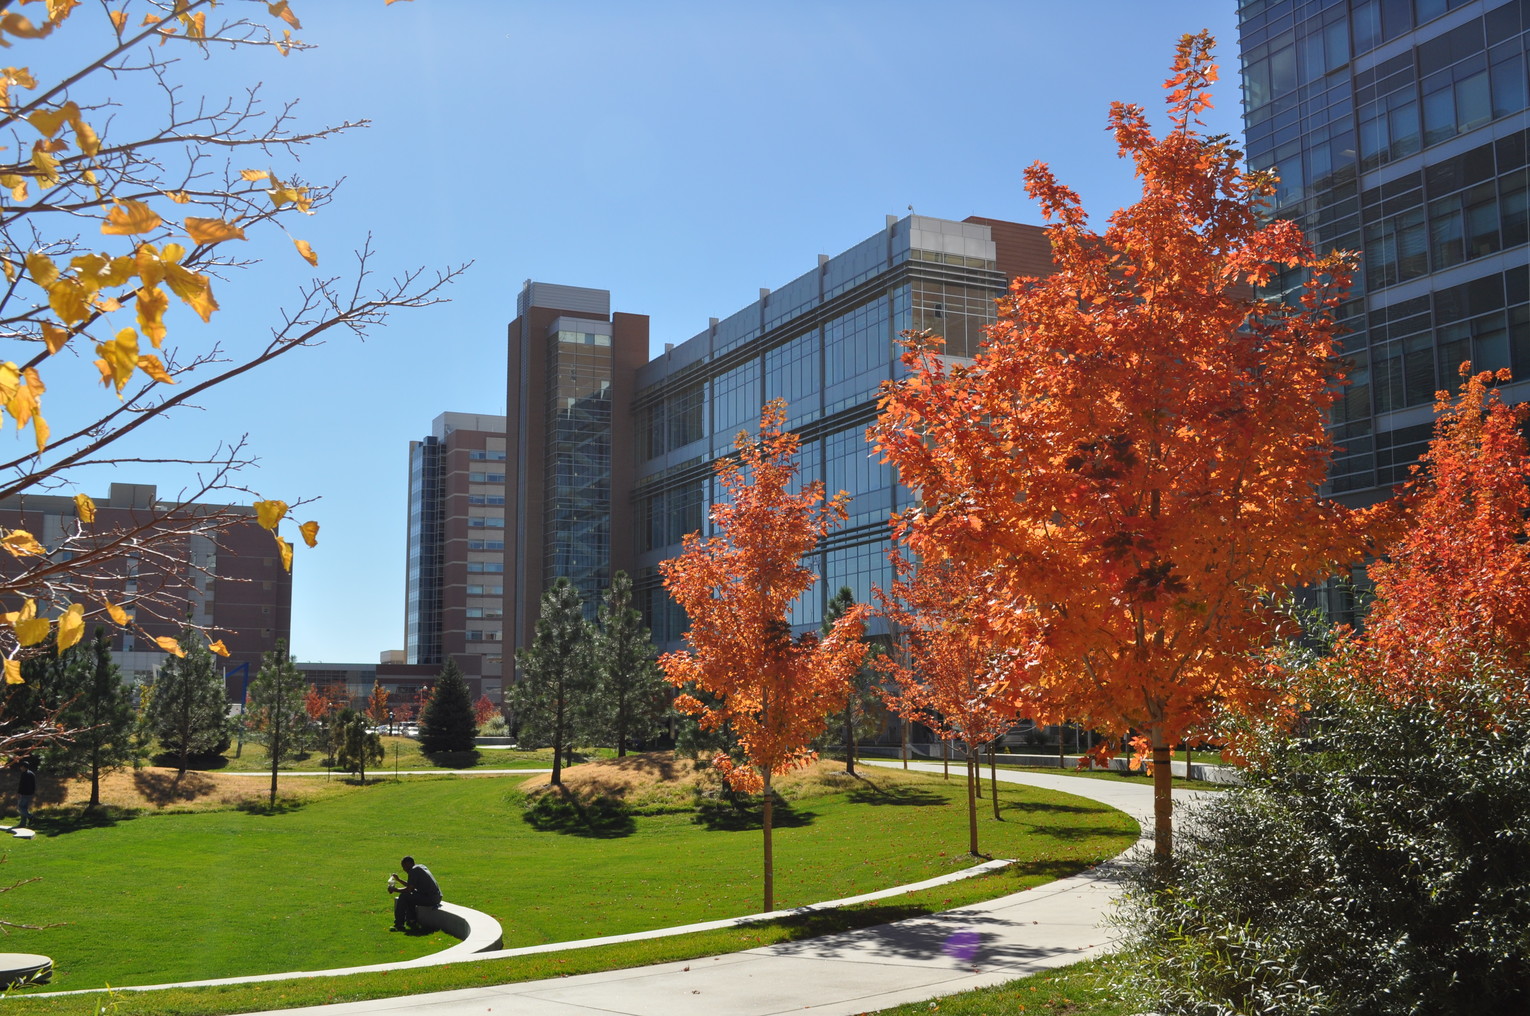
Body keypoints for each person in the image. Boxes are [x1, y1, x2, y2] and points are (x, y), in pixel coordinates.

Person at [387, 855, 441, 931]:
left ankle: (399, 924)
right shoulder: (420, 867)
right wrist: (398, 880)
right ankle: (411, 920)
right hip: (436, 897)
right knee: (410, 896)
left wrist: (394, 889)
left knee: (404, 896)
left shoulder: (413, 871)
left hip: (431, 898)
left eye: (404, 866)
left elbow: (409, 889)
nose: (404, 869)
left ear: (408, 864)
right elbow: (411, 886)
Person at [14, 760, 35, 829]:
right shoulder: (32, 773)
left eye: (21, 766)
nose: (20, 768)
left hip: (23, 794)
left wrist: (18, 793)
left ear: (23, 767)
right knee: (24, 808)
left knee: (20, 808)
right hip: (29, 793)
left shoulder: (24, 774)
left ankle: (30, 817)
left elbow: (22, 785)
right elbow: (33, 784)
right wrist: (32, 792)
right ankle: (23, 823)